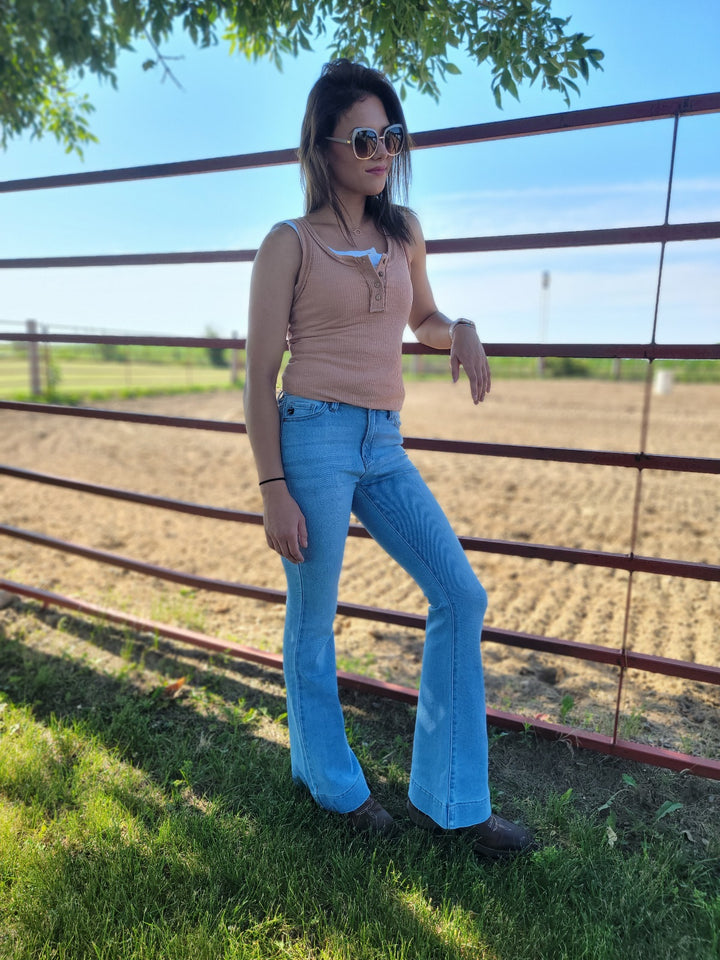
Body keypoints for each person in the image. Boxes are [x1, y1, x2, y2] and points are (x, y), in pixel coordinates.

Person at [244, 59, 534, 858]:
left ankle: (452, 800)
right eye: (365, 137)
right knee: (314, 620)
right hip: (312, 435)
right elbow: (259, 375)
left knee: (459, 596)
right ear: (324, 147)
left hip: (383, 442)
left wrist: (461, 328)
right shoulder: (289, 244)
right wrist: (274, 487)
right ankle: (332, 784)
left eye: (391, 135)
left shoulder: (402, 233)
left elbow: (427, 319)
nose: (382, 151)